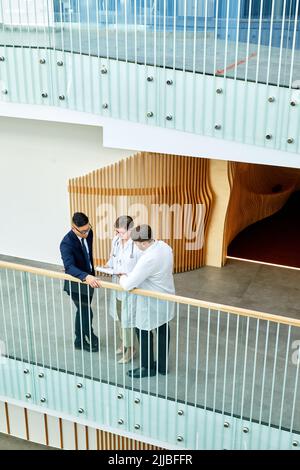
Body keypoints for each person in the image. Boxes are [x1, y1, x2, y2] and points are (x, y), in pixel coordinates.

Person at [119, 225, 175, 378]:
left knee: (143, 331)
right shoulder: (165, 247)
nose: (136, 247)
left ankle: (146, 367)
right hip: (167, 296)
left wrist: (122, 276)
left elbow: (128, 285)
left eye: (137, 244)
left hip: (151, 302)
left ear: (143, 243)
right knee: (163, 329)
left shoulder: (149, 258)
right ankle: (162, 366)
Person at [60, 212, 101, 352]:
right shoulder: (66, 243)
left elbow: (87, 255)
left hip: (89, 281)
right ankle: (81, 339)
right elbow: (69, 267)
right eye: (83, 231)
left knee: (83, 310)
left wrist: (90, 275)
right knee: (86, 311)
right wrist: (86, 277)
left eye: (88, 228)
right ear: (73, 228)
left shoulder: (89, 233)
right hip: (76, 283)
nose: (86, 233)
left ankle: (85, 335)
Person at [106, 216, 143, 364]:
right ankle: (123, 344)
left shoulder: (137, 245)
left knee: (128, 320)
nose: (119, 235)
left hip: (130, 287)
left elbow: (141, 268)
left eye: (122, 233)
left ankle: (130, 350)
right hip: (117, 285)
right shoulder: (115, 241)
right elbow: (112, 259)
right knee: (119, 318)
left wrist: (127, 275)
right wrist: (107, 266)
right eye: (117, 232)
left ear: (131, 230)